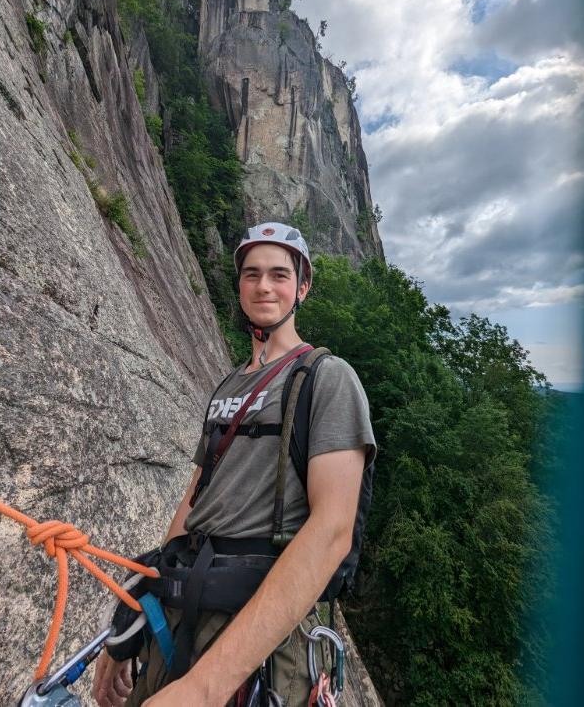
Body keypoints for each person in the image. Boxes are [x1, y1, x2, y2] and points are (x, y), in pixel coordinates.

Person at [92, 222, 376, 706]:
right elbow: (193, 504)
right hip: (186, 611)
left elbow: (332, 531)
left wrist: (207, 687)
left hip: (256, 636)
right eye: (251, 274)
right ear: (240, 285)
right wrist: (131, 619)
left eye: (279, 275)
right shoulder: (227, 387)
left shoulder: (328, 379)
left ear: (302, 286)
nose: (264, 286)